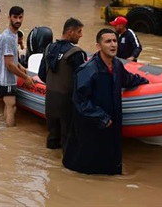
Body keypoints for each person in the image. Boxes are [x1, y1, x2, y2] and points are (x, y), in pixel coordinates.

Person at [63, 28, 149, 175]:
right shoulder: (88, 70)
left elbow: (127, 79)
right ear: (98, 46)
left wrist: (145, 81)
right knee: (87, 166)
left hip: (111, 124)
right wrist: (101, 116)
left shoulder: (116, 65)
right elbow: (80, 100)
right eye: (108, 41)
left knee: (110, 163)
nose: (113, 45)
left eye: (115, 41)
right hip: (93, 125)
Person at [38, 17, 87, 150]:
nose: (81, 35)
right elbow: (83, 81)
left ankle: (50, 169)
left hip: (50, 101)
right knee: (67, 139)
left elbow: (42, 74)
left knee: (53, 137)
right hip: (67, 102)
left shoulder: (49, 48)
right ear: (70, 32)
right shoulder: (76, 53)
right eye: (79, 32)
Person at [0, 6, 35, 127]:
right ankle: (10, 132)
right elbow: (9, 64)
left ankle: (6, 133)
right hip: (6, 79)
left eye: (20, 17)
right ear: (9, 17)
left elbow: (10, 57)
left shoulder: (13, 34)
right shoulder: (8, 37)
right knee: (11, 106)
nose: (18, 20)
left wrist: (20, 65)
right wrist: (26, 78)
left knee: (8, 105)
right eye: (15, 17)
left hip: (3, 78)